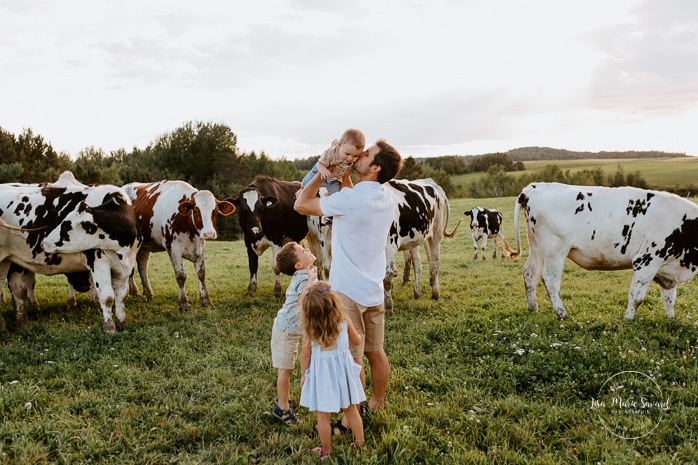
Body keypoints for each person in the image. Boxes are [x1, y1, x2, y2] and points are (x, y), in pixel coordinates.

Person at [295, 139, 403, 431]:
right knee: (375, 351)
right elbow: (357, 198)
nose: (361, 154)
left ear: (375, 167)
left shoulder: (350, 201)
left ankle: (348, 417)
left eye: (366, 154)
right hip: (373, 289)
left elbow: (301, 204)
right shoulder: (384, 198)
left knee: (352, 359)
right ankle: (376, 402)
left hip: (346, 292)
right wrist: (344, 175)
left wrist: (322, 171)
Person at [299, 281, 365, 458]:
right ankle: (359, 444)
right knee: (351, 409)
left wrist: (303, 375)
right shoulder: (344, 320)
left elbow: (305, 354)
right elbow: (357, 341)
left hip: (323, 377)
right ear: (334, 303)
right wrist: (358, 333)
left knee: (323, 416)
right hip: (343, 373)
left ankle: (326, 451)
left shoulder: (311, 329)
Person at [270, 241, 317, 426]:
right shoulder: (304, 277)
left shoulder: (307, 272)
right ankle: (282, 408)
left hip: (291, 330)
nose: (307, 249)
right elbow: (301, 299)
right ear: (298, 265)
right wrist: (312, 282)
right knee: (286, 370)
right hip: (285, 331)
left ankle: (284, 399)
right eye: (303, 250)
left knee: (287, 368)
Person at [301, 128, 365, 196]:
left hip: (334, 179)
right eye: (347, 154)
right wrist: (323, 170)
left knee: (336, 196)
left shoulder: (353, 157)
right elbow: (319, 163)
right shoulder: (331, 152)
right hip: (320, 173)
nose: (350, 158)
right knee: (307, 188)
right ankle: (303, 184)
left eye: (355, 156)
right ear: (339, 146)